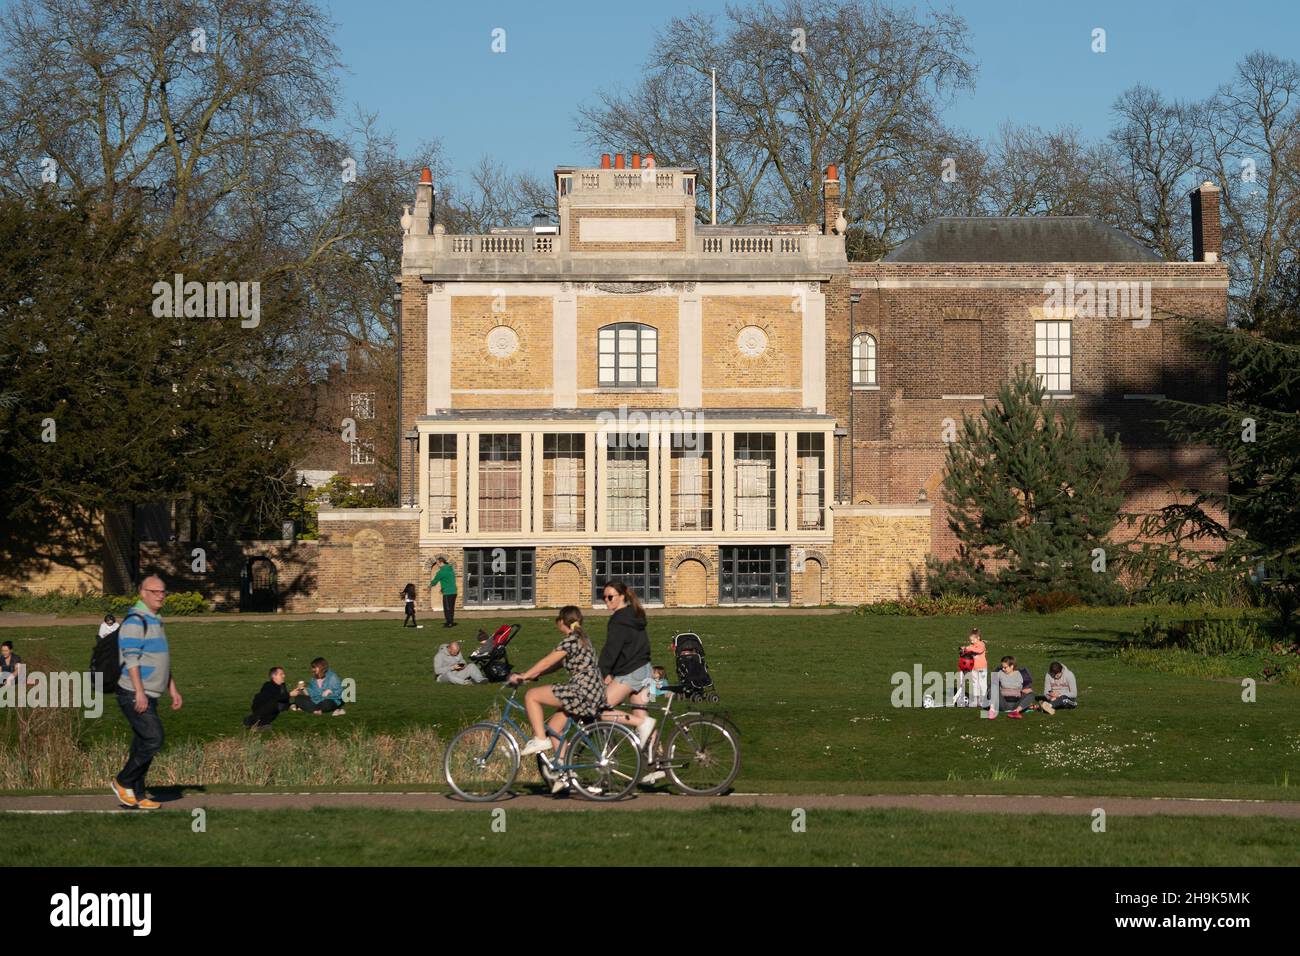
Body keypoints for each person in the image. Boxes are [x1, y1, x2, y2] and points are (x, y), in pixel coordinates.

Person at [508, 606, 608, 793]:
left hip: (581, 691)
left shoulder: (570, 640)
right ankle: (566, 772)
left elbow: (547, 661)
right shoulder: (583, 639)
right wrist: (530, 675)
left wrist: (524, 676)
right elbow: (554, 666)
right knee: (554, 728)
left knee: (531, 696)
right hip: (594, 691)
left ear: (562, 621)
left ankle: (539, 739)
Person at [110, 575, 182, 810]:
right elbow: (131, 660)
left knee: (142, 743)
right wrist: (139, 693)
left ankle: (138, 796)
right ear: (142, 593)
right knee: (154, 738)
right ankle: (122, 781)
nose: (161, 595)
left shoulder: (155, 619)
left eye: (163, 591)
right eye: (155, 591)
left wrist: (172, 689)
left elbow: (161, 658)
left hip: (151, 692)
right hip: (133, 693)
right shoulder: (135, 621)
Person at [596, 580, 655, 747]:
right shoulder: (635, 615)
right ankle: (657, 764)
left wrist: (601, 673)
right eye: (604, 598)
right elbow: (630, 648)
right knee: (643, 718)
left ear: (621, 596)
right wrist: (612, 674)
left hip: (631, 673)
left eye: (610, 597)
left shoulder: (618, 620)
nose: (607, 601)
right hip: (645, 670)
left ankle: (640, 723)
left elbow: (611, 650)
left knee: (598, 708)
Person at [243, 666, 290, 730]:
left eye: (283, 674)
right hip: (261, 710)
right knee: (276, 704)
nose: (284, 676)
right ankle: (250, 721)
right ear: (274, 676)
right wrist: (290, 694)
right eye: (281, 674)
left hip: (268, 713)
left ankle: (258, 725)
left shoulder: (282, 686)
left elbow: (284, 700)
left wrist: (292, 705)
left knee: (267, 726)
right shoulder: (268, 686)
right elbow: (275, 698)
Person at [959, 627, 988, 708]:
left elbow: (979, 650)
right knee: (975, 684)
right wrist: (964, 649)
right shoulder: (972, 645)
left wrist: (969, 648)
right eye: (970, 640)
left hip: (982, 668)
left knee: (982, 684)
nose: (971, 642)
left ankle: (983, 701)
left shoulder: (981, 644)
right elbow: (968, 649)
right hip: (974, 668)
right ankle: (975, 701)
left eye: (973, 640)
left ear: (978, 638)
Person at [430, 555, 457, 628]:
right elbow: (448, 581)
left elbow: (434, 582)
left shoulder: (441, 572)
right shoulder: (450, 569)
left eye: (438, 563)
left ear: (441, 562)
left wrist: (429, 586)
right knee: (451, 608)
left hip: (447, 593)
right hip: (454, 592)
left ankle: (449, 623)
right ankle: (451, 621)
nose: (437, 565)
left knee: (447, 608)